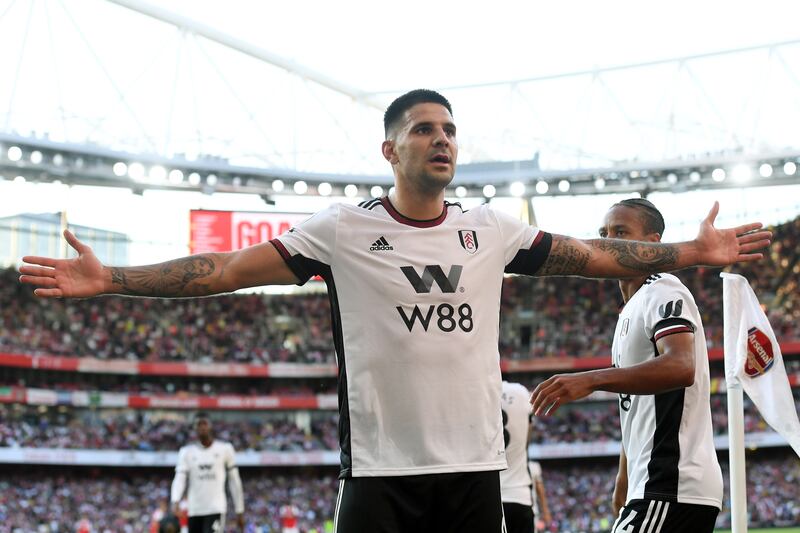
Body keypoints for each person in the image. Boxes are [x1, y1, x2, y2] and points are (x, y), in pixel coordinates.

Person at [20, 90, 769, 532]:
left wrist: (690, 254)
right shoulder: (342, 229)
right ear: (390, 149)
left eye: (449, 130)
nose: (441, 140)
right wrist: (111, 276)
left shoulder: (489, 227)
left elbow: (595, 256)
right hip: (381, 473)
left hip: (475, 471)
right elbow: (224, 269)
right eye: (424, 129)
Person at [529, 198, 725, 532]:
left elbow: (681, 366)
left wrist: (590, 380)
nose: (609, 241)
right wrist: (625, 474)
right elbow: (637, 405)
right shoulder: (631, 310)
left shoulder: (662, 288)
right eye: (604, 233)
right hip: (652, 484)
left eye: (621, 232)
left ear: (654, 244)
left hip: (670, 483)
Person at [170, 413, 245, 533]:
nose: (202, 427)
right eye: (198, 424)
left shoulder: (225, 449)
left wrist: (239, 510)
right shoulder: (186, 452)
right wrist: (175, 500)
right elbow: (179, 478)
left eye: (204, 423)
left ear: (211, 426)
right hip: (194, 509)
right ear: (194, 428)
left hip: (215, 508)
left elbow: (234, 480)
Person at [500, 380, 536, 533]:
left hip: (487, 495)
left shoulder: (478, 392)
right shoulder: (520, 391)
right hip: (518, 494)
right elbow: (528, 435)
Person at [528, 461, 551, 532]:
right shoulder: (533, 466)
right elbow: (540, 490)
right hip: (529, 509)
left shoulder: (504, 462)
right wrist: (546, 511)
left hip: (505, 504)